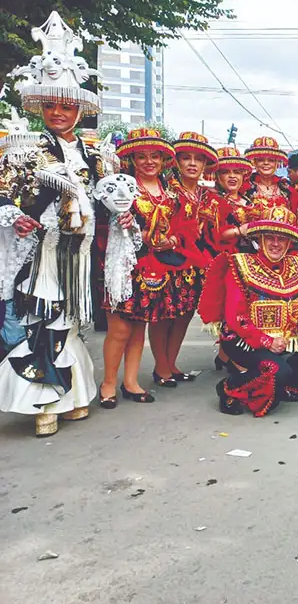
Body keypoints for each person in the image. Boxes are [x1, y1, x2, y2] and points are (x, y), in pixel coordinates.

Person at [0, 11, 124, 436]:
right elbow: (5, 194)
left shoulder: (94, 152)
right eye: (51, 104)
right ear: (40, 107)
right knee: (43, 318)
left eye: (66, 105)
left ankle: (72, 396)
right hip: (43, 252)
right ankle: (42, 404)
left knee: (71, 320)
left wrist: (122, 202)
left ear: (78, 110)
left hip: (80, 250)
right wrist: (15, 217)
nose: (58, 112)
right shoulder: (24, 146)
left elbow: (108, 196)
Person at [201, 207, 298, 416]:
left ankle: (295, 387)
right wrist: (266, 341)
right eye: (269, 237)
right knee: (278, 372)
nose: (275, 243)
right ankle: (230, 387)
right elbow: (237, 318)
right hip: (243, 340)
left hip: (284, 336)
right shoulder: (240, 265)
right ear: (259, 238)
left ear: (290, 242)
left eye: (282, 239)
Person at [101, 128, 180, 407]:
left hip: (156, 268)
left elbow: (181, 228)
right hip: (125, 265)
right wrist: (139, 234)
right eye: (142, 156)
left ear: (162, 160)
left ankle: (131, 382)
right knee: (119, 329)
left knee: (139, 328)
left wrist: (171, 239)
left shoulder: (170, 193)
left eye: (154, 156)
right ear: (132, 160)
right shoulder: (121, 187)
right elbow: (109, 224)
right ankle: (108, 383)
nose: (149, 161)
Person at [154, 131, 219, 385]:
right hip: (168, 261)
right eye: (186, 158)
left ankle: (171, 363)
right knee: (164, 313)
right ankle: (161, 367)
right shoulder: (167, 191)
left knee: (184, 313)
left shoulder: (206, 196)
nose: (192, 164)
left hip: (196, 263)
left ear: (204, 165)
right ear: (176, 162)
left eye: (198, 159)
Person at [211, 146, 254, 255]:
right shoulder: (212, 201)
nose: (232, 176)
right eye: (225, 172)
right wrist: (238, 231)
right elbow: (212, 235)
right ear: (217, 176)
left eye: (237, 172)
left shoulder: (249, 199)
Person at [245, 136, 296, 222]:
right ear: (255, 162)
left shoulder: (286, 187)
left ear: (276, 163)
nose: (266, 163)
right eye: (261, 160)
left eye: (271, 160)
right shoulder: (246, 187)